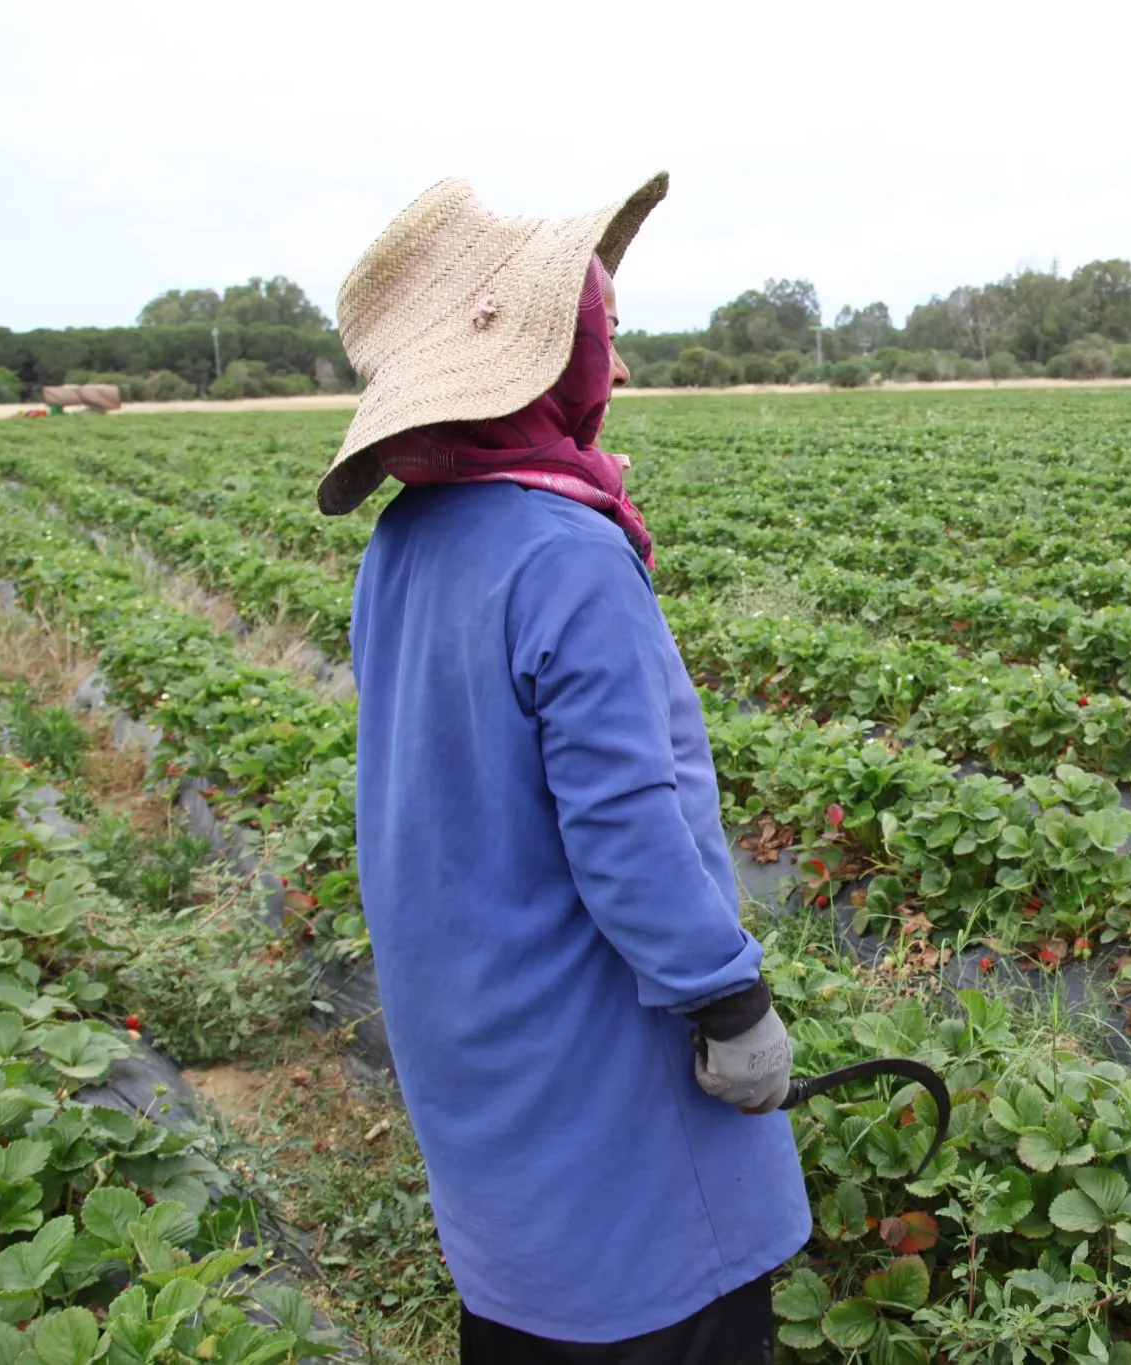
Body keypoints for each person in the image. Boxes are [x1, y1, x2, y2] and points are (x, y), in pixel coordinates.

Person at [317, 174, 809, 1365]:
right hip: (596, 1052)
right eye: (606, 336)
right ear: (556, 359)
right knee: (657, 1306)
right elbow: (629, 827)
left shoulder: (405, 541)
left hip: (470, 1022)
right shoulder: (566, 553)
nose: (618, 370)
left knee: (531, 1311)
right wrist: (729, 1001)